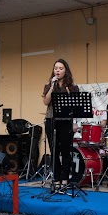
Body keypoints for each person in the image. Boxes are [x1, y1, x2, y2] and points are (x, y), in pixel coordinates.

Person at [42, 59, 79, 193]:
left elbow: (75, 105)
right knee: (54, 151)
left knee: (65, 151)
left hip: (65, 121)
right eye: (56, 68)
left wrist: (69, 92)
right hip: (51, 120)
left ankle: (65, 180)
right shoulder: (49, 84)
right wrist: (52, 86)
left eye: (61, 68)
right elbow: (46, 102)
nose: (57, 70)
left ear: (66, 70)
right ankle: (56, 180)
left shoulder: (72, 86)